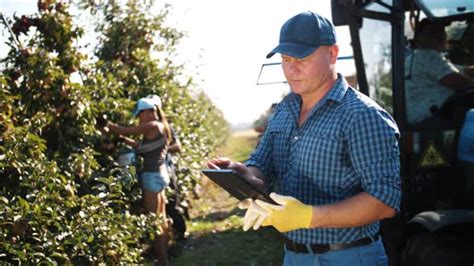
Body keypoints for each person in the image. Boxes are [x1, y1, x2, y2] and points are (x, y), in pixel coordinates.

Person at [208, 11, 400, 266]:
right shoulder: (285, 110)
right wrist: (246, 176)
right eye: (286, 59)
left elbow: (385, 201)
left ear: (332, 53)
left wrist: (310, 216)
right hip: (294, 256)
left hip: (349, 256)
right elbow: (262, 162)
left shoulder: (362, 115)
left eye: (302, 58)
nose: (292, 68)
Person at [99, 95, 171, 266]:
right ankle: (165, 257)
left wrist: (106, 124)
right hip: (160, 175)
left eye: (140, 114)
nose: (139, 118)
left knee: (153, 222)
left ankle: (162, 262)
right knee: (161, 218)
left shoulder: (151, 124)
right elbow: (142, 148)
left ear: (147, 112)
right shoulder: (160, 127)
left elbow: (124, 129)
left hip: (151, 177)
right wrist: (125, 141)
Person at [405, 18, 474, 125]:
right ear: (418, 38)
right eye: (433, 33)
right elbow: (456, 80)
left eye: (441, 32)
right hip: (430, 119)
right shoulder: (426, 55)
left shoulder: (421, 58)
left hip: (429, 117)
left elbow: (464, 71)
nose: (440, 37)